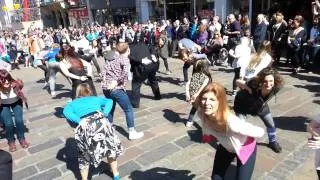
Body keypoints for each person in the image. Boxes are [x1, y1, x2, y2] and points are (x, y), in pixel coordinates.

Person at [197, 82, 264, 180]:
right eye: (204, 98)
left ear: (220, 102)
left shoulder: (232, 122)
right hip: (226, 147)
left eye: (212, 99)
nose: (207, 103)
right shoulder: (202, 114)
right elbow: (196, 103)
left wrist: (244, 128)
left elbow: (260, 132)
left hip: (244, 148)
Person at [63, 83, 123, 180]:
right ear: (90, 91)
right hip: (101, 123)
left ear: (77, 93)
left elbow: (66, 112)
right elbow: (110, 101)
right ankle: (116, 175)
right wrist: (105, 113)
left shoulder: (72, 104)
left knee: (84, 157)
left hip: (86, 126)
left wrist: (79, 120)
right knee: (110, 150)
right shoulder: (95, 99)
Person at [234, 67, 284, 153]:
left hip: (259, 104)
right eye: (265, 81)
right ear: (260, 81)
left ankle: (272, 142)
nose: (268, 84)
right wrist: (246, 87)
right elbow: (237, 81)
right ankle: (238, 146)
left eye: (271, 81)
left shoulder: (277, 87)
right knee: (241, 127)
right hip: (242, 103)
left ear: (274, 81)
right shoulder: (253, 83)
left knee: (271, 124)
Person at [102, 42, 144, 140]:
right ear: (128, 50)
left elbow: (104, 70)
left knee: (111, 108)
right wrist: (116, 82)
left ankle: (108, 129)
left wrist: (104, 81)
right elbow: (125, 73)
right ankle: (132, 133)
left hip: (106, 88)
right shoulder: (125, 59)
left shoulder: (112, 57)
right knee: (128, 109)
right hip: (116, 89)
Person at [0, 69, 29, 152]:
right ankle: (11, 141)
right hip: (3, 104)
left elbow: (20, 86)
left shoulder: (15, 83)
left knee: (19, 120)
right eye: (2, 80)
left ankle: (21, 138)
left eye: (7, 79)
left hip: (16, 101)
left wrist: (20, 84)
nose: (6, 81)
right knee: (8, 123)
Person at [129, 42, 161, 108]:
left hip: (142, 68)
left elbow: (131, 58)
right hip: (152, 65)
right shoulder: (144, 44)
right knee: (153, 80)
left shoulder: (129, 48)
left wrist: (140, 61)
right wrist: (153, 55)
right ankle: (158, 96)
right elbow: (152, 48)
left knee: (136, 85)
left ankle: (135, 103)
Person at [185, 59, 212, 127]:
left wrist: (187, 94)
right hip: (201, 96)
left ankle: (189, 121)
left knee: (194, 108)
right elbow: (203, 86)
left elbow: (187, 84)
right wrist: (197, 94)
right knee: (205, 110)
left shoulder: (194, 75)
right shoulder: (207, 77)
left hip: (193, 96)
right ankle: (206, 124)